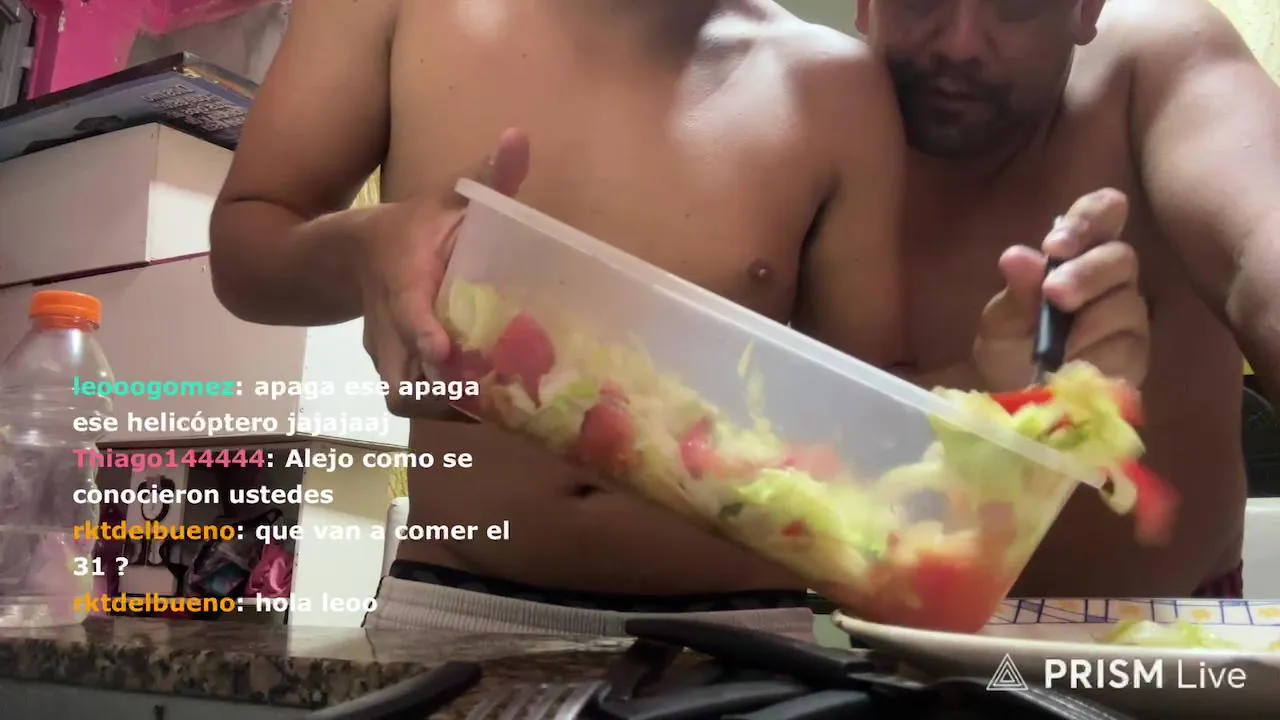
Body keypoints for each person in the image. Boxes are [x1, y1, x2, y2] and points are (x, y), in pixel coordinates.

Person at [209, 0, 1144, 637]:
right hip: (457, 610)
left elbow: (869, 448)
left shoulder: (836, 86)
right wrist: (365, 248)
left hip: (748, 639)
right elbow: (246, 247)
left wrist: (993, 389)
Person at [855, 0, 1280, 598]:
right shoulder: (821, 113)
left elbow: (1263, 254)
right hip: (894, 630)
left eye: (1019, 7)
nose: (960, 45)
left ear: (1087, 9)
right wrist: (984, 384)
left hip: (1170, 635)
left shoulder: (1155, 59)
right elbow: (816, 431)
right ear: (865, 5)